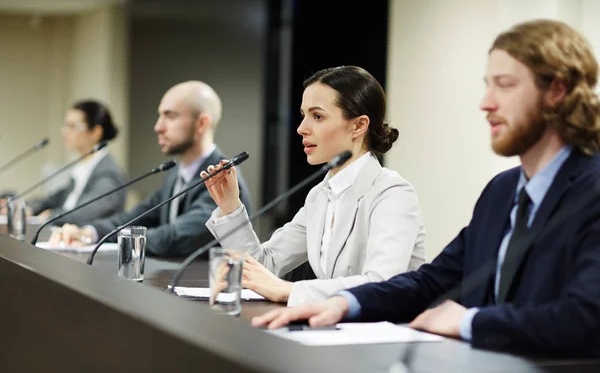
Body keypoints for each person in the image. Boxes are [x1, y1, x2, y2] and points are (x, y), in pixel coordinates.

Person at [252, 20, 600, 357]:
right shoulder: (501, 191)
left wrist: (470, 321)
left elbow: (586, 318)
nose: (486, 103)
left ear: (556, 91)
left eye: (505, 85)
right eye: (487, 85)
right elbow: (429, 281)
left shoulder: (591, 189)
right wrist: (344, 303)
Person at [202, 66, 426, 306]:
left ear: (358, 125)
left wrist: (291, 291)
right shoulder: (320, 196)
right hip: (334, 329)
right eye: (303, 115)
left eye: (317, 116)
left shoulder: (392, 193)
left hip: (385, 335)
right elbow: (266, 266)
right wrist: (230, 207)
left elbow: (382, 283)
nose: (301, 128)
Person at [49, 81, 253, 257]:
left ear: (201, 124)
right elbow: (136, 216)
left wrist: (113, 238)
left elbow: (175, 237)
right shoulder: (175, 174)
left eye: (170, 116)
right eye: (159, 116)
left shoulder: (222, 179)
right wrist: (90, 232)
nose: (158, 127)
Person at [27, 100, 126, 225]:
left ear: (96, 132)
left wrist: (52, 215)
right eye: (66, 125)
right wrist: (29, 207)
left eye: (72, 126)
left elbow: (86, 212)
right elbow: (56, 199)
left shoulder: (109, 172)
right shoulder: (82, 166)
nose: (64, 132)